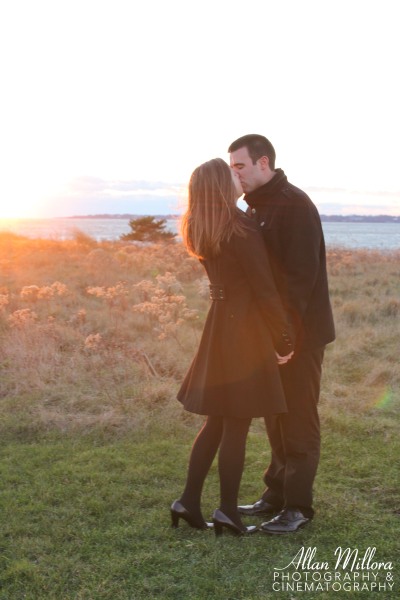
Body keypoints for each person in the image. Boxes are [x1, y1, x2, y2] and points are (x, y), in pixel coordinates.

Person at [171, 158, 294, 536]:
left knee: (217, 421)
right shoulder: (241, 226)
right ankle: (226, 512)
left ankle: (188, 502)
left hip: (219, 327)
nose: (237, 176)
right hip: (245, 330)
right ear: (220, 187)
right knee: (236, 424)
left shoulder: (199, 226)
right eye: (231, 175)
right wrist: (283, 336)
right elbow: (264, 288)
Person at [228, 134, 336, 534]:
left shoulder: (294, 205)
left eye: (240, 166)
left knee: (298, 418)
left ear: (264, 163)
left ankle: (298, 508)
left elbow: (299, 280)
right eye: (232, 167)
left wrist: (285, 339)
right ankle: (275, 495)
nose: (234, 173)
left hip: (300, 337)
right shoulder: (257, 207)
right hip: (275, 335)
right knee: (274, 413)